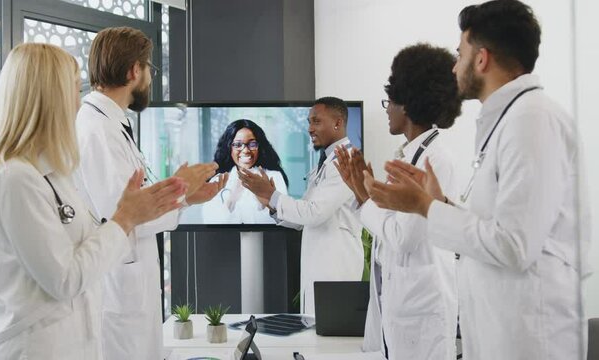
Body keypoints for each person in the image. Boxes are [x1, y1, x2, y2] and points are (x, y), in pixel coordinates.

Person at [364, 1, 586, 359]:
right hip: (501, 331)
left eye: (459, 53)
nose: (455, 66)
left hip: (527, 338)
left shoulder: (531, 121)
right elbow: (498, 228)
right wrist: (442, 206)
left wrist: (426, 208)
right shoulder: (509, 121)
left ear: (481, 59)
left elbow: (513, 246)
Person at [0, 43, 187, 360]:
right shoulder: (13, 180)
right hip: (35, 347)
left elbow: (89, 241)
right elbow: (65, 278)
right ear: (50, 97)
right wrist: (126, 218)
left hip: (71, 339)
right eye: (74, 90)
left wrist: (141, 208)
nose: (78, 103)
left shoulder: (51, 174)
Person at [74, 27, 226, 360]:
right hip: (117, 298)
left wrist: (186, 197)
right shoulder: (96, 129)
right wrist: (180, 186)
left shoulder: (111, 124)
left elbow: (135, 206)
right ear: (133, 71)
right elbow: (125, 215)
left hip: (131, 294)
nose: (150, 79)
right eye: (149, 69)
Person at [334, 44, 462, 359]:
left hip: (423, 311)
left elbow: (402, 238)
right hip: (404, 306)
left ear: (407, 105)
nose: (386, 109)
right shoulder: (411, 154)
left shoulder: (435, 161)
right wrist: (365, 193)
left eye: (389, 101)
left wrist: (365, 198)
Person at [238, 97, 363, 314]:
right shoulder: (325, 163)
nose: (310, 128)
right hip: (320, 271)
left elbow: (314, 213)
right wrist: (271, 204)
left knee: (332, 342)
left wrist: (272, 194)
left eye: (316, 121)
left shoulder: (346, 161)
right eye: (308, 122)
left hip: (336, 271)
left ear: (338, 122)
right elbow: (304, 216)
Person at [202, 119, 289, 224]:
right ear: (229, 147)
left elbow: (285, 221)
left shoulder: (274, 176)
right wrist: (231, 200)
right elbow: (209, 221)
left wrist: (264, 204)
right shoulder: (217, 179)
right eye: (238, 145)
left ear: (259, 147)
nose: (246, 150)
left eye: (252, 144)